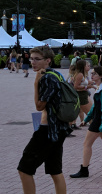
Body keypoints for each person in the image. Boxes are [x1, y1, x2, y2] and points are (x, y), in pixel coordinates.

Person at [17, 46, 72, 194]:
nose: (32, 62)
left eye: (37, 59)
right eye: (31, 58)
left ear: (47, 60)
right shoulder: (57, 74)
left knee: (24, 169)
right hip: (59, 128)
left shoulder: (46, 78)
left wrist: (36, 84)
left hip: (48, 130)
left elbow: (39, 106)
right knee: (55, 170)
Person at [72, 60, 95, 131]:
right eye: (87, 65)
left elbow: (86, 82)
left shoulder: (82, 74)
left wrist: (94, 83)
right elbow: (76, 86)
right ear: (83, 66)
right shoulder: (80, 75)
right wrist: (87, 87)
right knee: (90, 113)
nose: (88, 66)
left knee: (91, 112)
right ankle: (95, 129)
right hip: (81, 95)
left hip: (83, 94)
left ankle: (95, 129)